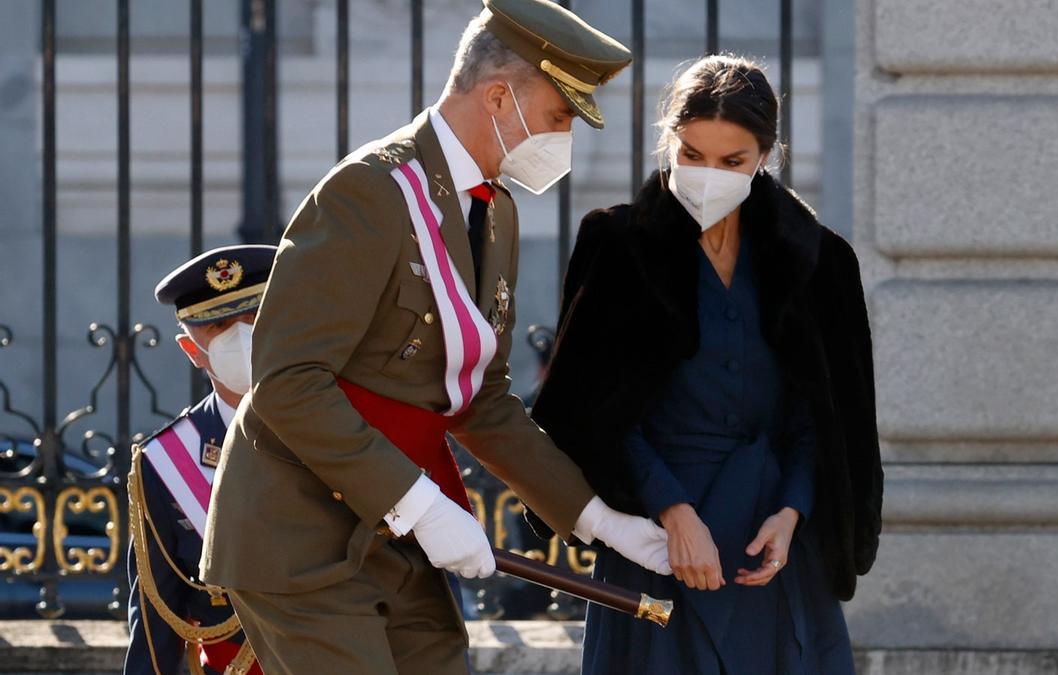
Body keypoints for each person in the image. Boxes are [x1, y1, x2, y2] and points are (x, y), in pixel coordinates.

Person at [199, 2, 672, 673]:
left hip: (394, 533)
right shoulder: (369, 191)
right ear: (500, 98)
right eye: (560, 117)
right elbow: (287, 381)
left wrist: (597, 518)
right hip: (300, 532)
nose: (565, 139)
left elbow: (484, 399)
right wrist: (421, 505)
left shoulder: (495, 211)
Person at [526, 55, 884, 674]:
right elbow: (593, 408)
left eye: (731, 161)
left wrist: (793, 510)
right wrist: (671, 509)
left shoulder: (818, 260)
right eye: (691, 154)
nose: (707, 174)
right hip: (656, 538)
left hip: (771, 547)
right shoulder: (618, 245)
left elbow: (824, 415)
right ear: (670, 141)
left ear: (765, 157)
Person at [126, 244, 276, 675]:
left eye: (254, 317)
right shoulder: (166, 462)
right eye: (221, 325)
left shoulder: (346, 426)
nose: (243, 336)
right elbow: (157, 620)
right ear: (193, 351)